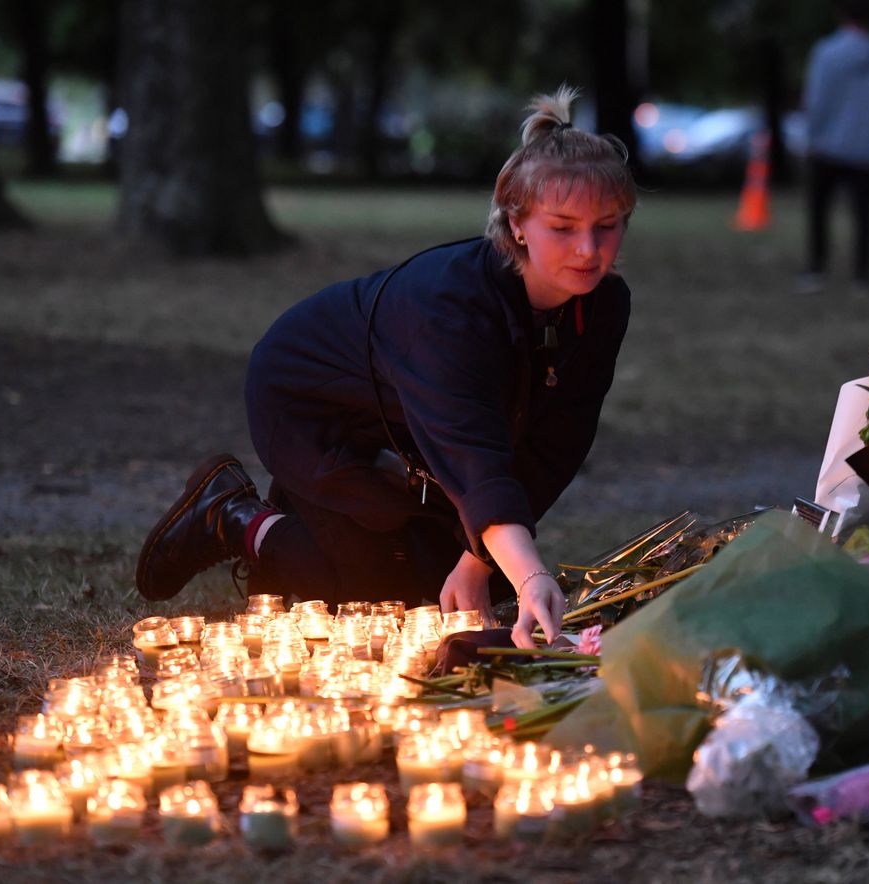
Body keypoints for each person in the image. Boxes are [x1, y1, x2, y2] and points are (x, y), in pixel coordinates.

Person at [135, 87, 637, 650]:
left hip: (408, 429)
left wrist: (478, 560)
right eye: (563, 227)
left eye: (608, 225)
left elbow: (553, 445)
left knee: (462, 579)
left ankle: (325, 508)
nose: (588, 249)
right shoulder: (451, 309)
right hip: (311, 406)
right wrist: (531, 574)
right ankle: (234, 515)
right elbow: (471, 448)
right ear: (517, 222)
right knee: (382, 599)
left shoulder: (603, 307)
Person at [797, 0, 869, 294]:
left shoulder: (826, 53)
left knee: (820, 211)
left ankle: (816, 270)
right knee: (864, 215)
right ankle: (862, 275)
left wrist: (811, 136)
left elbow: (816, 101)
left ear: (840, 14)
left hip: (827, 146)